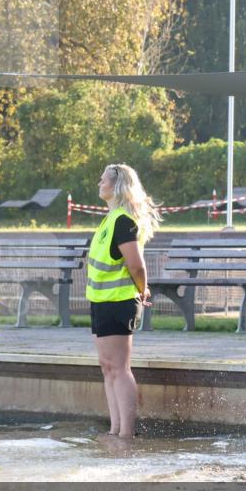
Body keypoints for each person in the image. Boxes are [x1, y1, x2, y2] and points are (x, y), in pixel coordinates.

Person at [86, 164, 161, 438]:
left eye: (103, 179)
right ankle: (115, 428)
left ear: (117, 186)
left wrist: (143, 289)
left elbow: (136, 265)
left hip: (118, 302)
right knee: (107, 367)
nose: (99, 183)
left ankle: (126, 434)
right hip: (102, 301)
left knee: (119, 367)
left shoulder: (122, 221)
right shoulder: (110, 219)